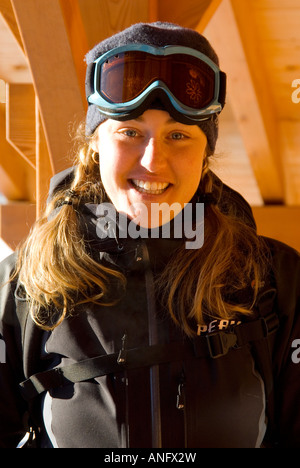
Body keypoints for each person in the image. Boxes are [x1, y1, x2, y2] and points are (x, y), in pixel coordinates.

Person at [0, 21, 299, 449]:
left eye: (178, 136)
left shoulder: (274, 278)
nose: (153, 160)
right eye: (130, 133)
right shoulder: (23, 282)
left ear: (205, 152)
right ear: (97, 144)